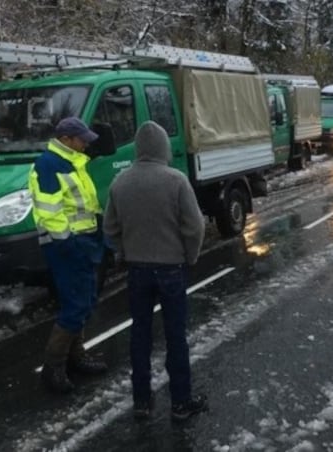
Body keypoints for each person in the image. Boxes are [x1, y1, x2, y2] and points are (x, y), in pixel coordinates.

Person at [103, 121, 208, 421]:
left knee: (140, 335)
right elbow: (195, 226)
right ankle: (180, 402)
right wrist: (190, 255)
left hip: (137, 271)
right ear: (163, 147)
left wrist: (124, 251)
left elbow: (110, 227)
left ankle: (142, 401)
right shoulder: (176, 181)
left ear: (137, 149)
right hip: (171, 269)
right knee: (176, 336)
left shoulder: (120, 182)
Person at [29, 117, 108, 394]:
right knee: (75, 305)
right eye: (81, 139)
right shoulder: (50, 165)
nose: (86, 143)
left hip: (83, 242)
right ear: (66, 140)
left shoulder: (73, 161)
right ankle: (54, 369)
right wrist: (70, 245)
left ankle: (76, 356)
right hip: (66, 246)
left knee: (84, 301)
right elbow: (50, 213)